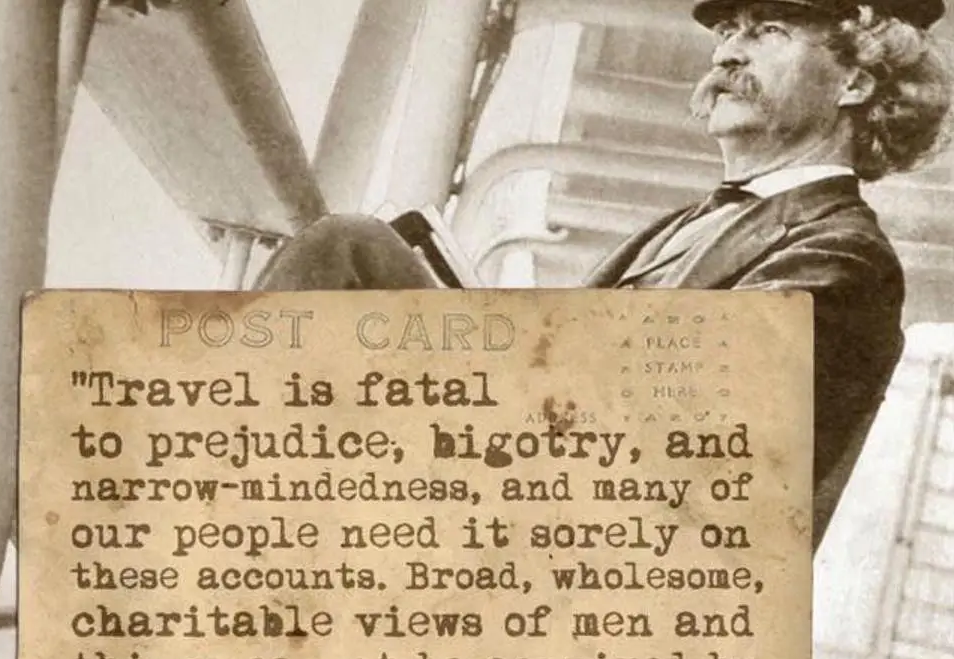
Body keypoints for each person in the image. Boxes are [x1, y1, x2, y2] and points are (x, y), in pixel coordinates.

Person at [259, 0, 951, 547]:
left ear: (856, 81)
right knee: (354, 255)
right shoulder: (688, 222)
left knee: (349, 257)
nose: (728, 52)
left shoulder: (847, 257)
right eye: (728, 32)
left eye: (768, 31)